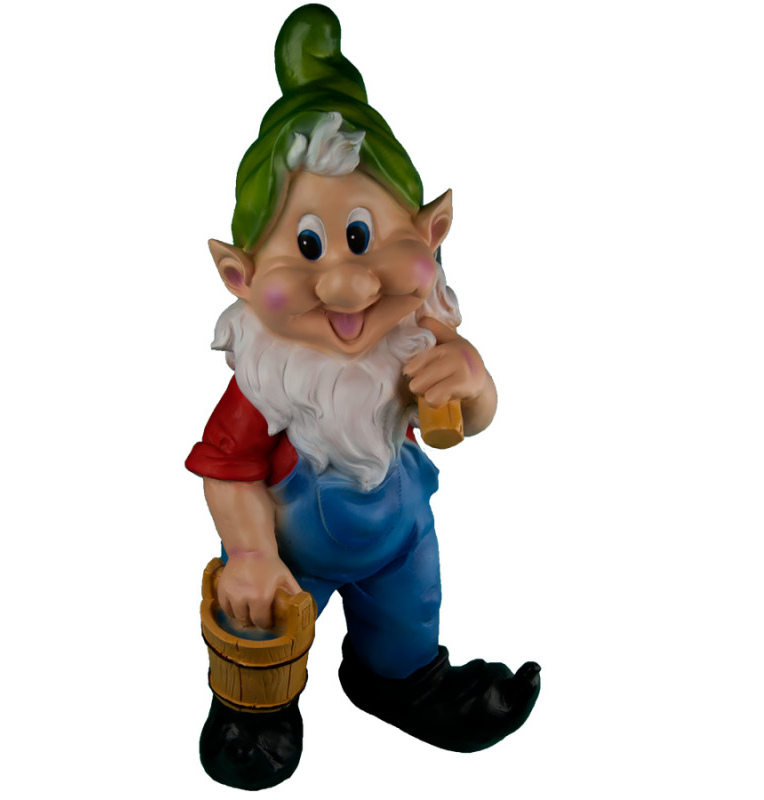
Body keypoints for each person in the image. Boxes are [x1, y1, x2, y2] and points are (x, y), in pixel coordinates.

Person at [186, 5, 540, 790]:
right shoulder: (269, 378)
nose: (346, 285)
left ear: (432, 234)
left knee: (410, 615)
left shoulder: (414, 351)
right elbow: (227, 473)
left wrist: (474, 382)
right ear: (240, 277)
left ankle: (401, 681)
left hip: (399, 539)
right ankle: (255, 709)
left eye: (364, 237)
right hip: (288, 554)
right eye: (306, 248)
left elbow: (470, 422)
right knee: (259, 617)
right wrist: (251, 552)